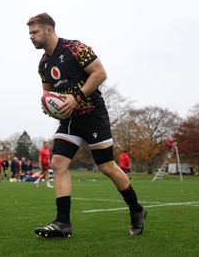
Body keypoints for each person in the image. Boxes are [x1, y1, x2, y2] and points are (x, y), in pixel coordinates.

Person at [27, 13, 146, 238]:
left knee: (107, 166)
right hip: (69, 120)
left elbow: (100, 74)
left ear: (49, 30)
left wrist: (77, 97)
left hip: (92, 115)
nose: (31, 37)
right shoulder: (43, 63)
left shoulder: (75, 48)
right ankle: (63, 223)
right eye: (30, 33)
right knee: (58, 163)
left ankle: (136, 209)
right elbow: (46, 91)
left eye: (34, 32)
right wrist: (47, 103)